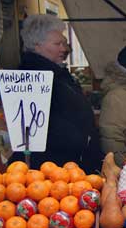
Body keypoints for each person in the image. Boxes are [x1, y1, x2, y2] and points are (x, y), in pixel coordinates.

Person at [9, 14, 102, 173]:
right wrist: (81, 140)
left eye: (63, 43)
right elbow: (38, 124)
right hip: (52, 167)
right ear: (37, 45)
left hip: (71, 163)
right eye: (57, 44)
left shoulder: (55, 72)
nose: (63, 48)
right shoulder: (32, 78)